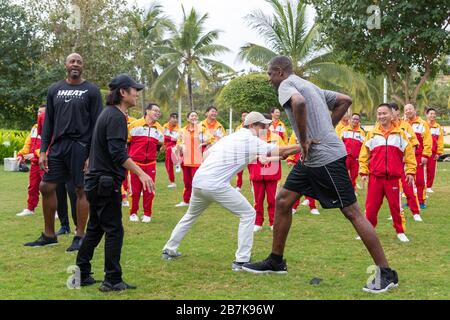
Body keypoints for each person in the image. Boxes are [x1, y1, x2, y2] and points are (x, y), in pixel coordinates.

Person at [243, 56, 398, 294]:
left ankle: (387, 273)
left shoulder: (287, 86)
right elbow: (345, 100)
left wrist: (305, 139)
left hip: (325, 158)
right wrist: (325, 128)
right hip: (311, 160)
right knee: (283, 200)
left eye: (269, 74)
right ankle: (276, 261)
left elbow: (299, 103)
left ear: (279, 72)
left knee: (352, 212)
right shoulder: (310, 85)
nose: (268, 79)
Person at [161, 112, 300, 271]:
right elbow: (280, 151)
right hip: (215, 183)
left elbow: (207, 155)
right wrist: (302, 146)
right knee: (248, 214)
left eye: (266, 126)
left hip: (199, 180)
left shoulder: (232, 137)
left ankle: (169, 249)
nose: (265, 128)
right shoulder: (249, 138)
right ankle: (241, 260)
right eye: (262, 126)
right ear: (252, 126)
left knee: (191, 215)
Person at [76, 74, 154, 292]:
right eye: (134, 90)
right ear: (123, 93)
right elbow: (118, 153)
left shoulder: (107, 114)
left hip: (96, 181)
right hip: (105, 182)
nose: (137, 94)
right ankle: (112, 279)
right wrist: (141, 173)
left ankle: (81, 273)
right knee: (114, 231)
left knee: (95, 228)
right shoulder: (116, 117)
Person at [25, 53, 103, 252]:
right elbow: (48, 122)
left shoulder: (91, 90)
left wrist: (91, 155)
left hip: (81, 146)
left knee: (81, 189)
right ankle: (49, 235)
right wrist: (43, 151)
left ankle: (80, 235)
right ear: (66, 65)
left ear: (82, 66)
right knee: (46, 186)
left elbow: (97, 126)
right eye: (72, 61)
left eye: (79, 61)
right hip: (58, 146)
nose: (75, 64)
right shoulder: (55, 89)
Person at [359, 104, 416, 242]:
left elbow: (409, 154)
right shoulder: (371, 134)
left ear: (391, 115)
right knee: (370, 207)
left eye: (384, 113)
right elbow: (364, 155)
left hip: (393, 179)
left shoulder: (400, 134)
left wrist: (410, 171)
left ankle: (400, 231)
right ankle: (368, 231)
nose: (381, 116)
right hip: (375, 178)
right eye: (379, 114)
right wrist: (364, 172)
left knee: (395, 207)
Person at [127, 103, 164, 223]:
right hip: (135, 163)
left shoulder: (159, 128)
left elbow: (161, 144)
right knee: (135, 190)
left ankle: (147, 214)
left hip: (151, 164)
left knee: (149, 189)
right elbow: (125, 141)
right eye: (155, 110)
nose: (157, 113)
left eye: (158, 111)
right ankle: (133, 213)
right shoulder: (134, 125)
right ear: (147, 111)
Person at [249, 114, 285, 232]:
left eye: (268, 123)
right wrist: (258, 156)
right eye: (263, 123)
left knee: (273, 200)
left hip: (272, 173)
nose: (266, 125)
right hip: (257, 173)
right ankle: (258, 222)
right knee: (257, 201)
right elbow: (247, 154)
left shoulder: (276, 137)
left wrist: (269, 159)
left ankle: (273, 222)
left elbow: (283, 155)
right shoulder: (253, 138)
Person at [389, 103, 422, 221]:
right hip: (392, 164)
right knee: (394, 189)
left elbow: (413, 143)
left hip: (404, 163)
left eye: (391, 111)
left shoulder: (405, 126)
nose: (389, 114)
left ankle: (415, 212)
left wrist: (408, 159)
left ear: (397, 112)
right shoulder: (386, 126)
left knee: (409, 187)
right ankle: (397, 212)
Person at [173, 111, 212, 207]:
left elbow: (210, 140)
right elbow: (178, 142)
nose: (194, 117)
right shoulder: (182, 130)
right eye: (192, 116)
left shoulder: (202, 129)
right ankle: (186, 201)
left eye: (196, 116)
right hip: (186, 160)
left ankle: (198, 201)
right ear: (188, 118)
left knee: (197, 182)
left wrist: (202, 144)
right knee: (187, 182)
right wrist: (181, 146)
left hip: (198, 160)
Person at [16, 105, 46, 217]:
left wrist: (34, 154)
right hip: (34, 164)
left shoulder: (52, 128)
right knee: (32, 187)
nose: (40, 115)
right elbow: (27, 145)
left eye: (42, 113)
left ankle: (56, 210)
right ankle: (30, 208)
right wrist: (21, 155)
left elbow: (50, 149)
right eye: (38, 112)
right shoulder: (34, 128)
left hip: (45, 164)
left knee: (48, 188)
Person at [404, 104, 432, 209]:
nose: (408, 111)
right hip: (405, 157)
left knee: (419, 180)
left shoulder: (422, 124)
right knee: (407, 180)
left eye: (410, 109)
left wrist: (425, 155)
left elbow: (427, 140)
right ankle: (410, 201)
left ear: (414, 110)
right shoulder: (403, 124)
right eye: (406, 110)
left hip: (418, 156)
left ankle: (421, 201)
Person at [286, 132, 320, 215]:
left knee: (311, 185)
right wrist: (290, 159)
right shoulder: (295, 134)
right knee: (296, 186)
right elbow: (291, 146)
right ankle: (293, 207)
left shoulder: (313, 132)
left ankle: (313, 207)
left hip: (311, 163)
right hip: (298, 164)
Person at [339, 113, 365, 191]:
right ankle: (342, 189)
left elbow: (364, 147)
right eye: (353, 118)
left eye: (357, 119)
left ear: (359, 121)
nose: (355, 120)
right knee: (343, 174)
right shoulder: (344, 130)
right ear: (350, 119)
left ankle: (352, 190)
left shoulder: (361, 132)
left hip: (356, 158)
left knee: (354, 175)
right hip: (345, 156)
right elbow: (340, 143)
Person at [425, 107, 444, 193]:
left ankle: (429, 187)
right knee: (420, 170)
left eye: (434, 114)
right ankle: (420, 186)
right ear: (427, 115)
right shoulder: (423, 125)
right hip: (423, 152)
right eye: (431, 114)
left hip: (433, 153)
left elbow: (440, 140)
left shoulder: (438, 127)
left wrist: (439, 152)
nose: (433, 115)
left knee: (431, 170)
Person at [121, 111, 137, 207]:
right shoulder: (115, 121)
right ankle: (123, 197)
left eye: (126, 113)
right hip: (119, 153)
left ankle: (128, 193)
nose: (125, 114)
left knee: (128, 175)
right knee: (120, 175)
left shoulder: (134, 122)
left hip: (129, 153)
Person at [162, 113, 180, 188]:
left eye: (176, 118)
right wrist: (170, 138)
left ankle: (177, 163)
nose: (175, 119)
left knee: (170, 151)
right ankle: (172, 182)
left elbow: (177, 139)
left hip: (175, 147)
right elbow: (163, 137)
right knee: (167, 165)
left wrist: (169, 138)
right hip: (167, 147)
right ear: (169, 118)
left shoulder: (179, 129)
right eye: (173, 117)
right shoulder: (164, 127)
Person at [235, 111, 249, 191]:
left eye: (246, 116)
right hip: (241, 152)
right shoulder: (238, 128)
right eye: (243, 116)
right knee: (239, 170)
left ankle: (252, 185)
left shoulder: (252, 127)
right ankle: (238, 186)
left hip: (250, 152)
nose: (245, 117)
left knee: (252, 170)